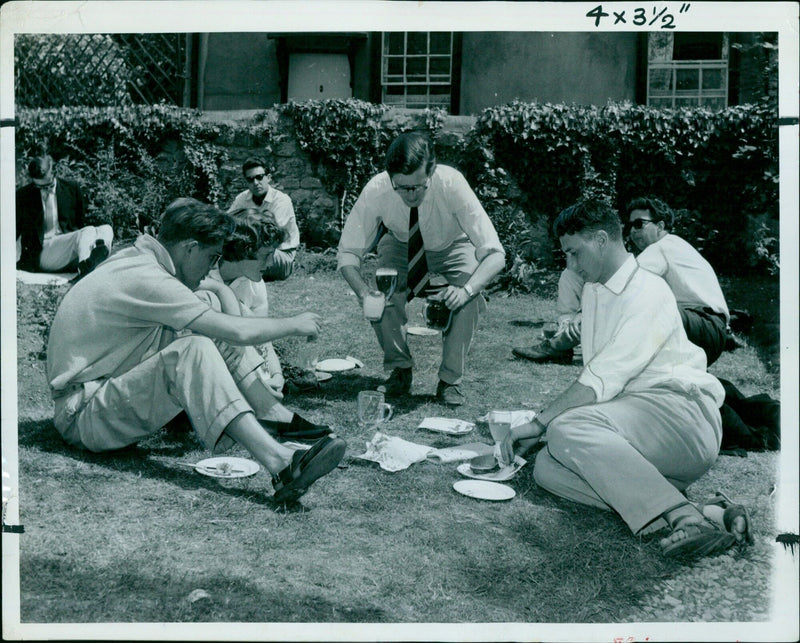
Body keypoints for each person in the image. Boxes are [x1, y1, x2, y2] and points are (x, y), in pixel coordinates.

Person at [46, 198, 345, 504]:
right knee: (193, 349)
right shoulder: (148, 277)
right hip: (83, 415)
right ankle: (282, 463)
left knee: (206, 312)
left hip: (102, 388)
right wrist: (295, 324)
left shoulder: (139, 260)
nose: (211, 268)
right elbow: (237, 331)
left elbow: (221, 314)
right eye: (211, 256)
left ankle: (272, 415)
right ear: (189, 248)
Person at [500, 199, 750, 559]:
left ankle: (681, 516)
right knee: (547, 468)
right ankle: (702, 512)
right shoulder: (596, 289)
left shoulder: (647, 290)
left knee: (563, 431)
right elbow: (599, 380)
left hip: (681, 417)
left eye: (574, 253)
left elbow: (600, 379)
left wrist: (539, 423)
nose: (570, 265)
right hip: (641, 428)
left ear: (601, 240)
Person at [337, 132, 506, 406]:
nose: (410, 194)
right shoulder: (377, 189)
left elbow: (496, 253)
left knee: (468, 301)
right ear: (390, 176)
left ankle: (450, 380)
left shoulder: (452, 183)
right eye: (401, 187)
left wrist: (466, 291)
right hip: (400, 242)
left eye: (419, 186)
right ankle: (400, 369)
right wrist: (362, 292)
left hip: (451, 245)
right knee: (383, 294)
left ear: (432, 171)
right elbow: (347, 252)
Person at [513, 196, 731, 366]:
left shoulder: (663, 246)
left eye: (639, 224)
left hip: (703, 326)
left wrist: (584, 316)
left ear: (661, 226)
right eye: (630, 226)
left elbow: (622, 282)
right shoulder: (674, 247)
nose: (633, 231)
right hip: (705, 329)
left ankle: (555, 347)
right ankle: (560, 344)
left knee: (614, 303)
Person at [197, 208, 286, 399]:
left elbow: (263, 337)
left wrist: (277, 375)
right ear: (243, 250)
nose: (271, 263)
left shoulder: (254, 284)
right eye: (265, 255)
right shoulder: (202, 276)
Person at [16, 154, 113, 277]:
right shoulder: (23, 195)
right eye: (39, 186)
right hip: (43, 252)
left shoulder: (72, 188)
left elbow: (81, 221)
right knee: (87, 231)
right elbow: (13, 231)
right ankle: (86, 268)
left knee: (106, 228)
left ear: (54, 173)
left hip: (69, 248)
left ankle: (90, 259)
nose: (43, 189)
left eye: (47, 185)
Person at [228, 157, 300, 281]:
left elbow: (270, 235)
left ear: (268, 178)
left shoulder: (281, 200)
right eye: (250, 179)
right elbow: (228, 223)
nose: (256, 183)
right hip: (252, 250)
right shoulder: (242, 198)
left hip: (279, 254)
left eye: (259, 177)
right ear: (246, 182)